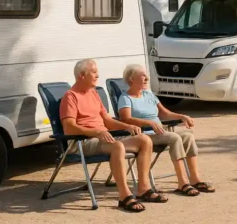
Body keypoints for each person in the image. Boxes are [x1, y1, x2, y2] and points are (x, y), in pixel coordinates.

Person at [59, 59, 166, 213]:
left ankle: (143, 188)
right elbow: (69, 127)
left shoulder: (93, 93)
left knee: (144, 140)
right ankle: (124, 196)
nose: (98, 75)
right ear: (82, 75)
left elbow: (108, 121)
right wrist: (96, 132)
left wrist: (127, 126)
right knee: (118, 146)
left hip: (104, 138)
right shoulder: (70, 97)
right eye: (94, 72)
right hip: (83, 141)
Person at [118, 64, 215, 196]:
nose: (146, 77)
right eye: (142, 75)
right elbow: (125, 119)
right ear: (131, 79)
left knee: (187, 135)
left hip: (160, 131)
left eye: (146, 74)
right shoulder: (125, 98)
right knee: (174, 137)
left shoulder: (149, 94)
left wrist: (182, 116)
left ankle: (195, 178)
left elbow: (164, 113)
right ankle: (182, 182)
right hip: (144, 135)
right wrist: (149, 123)